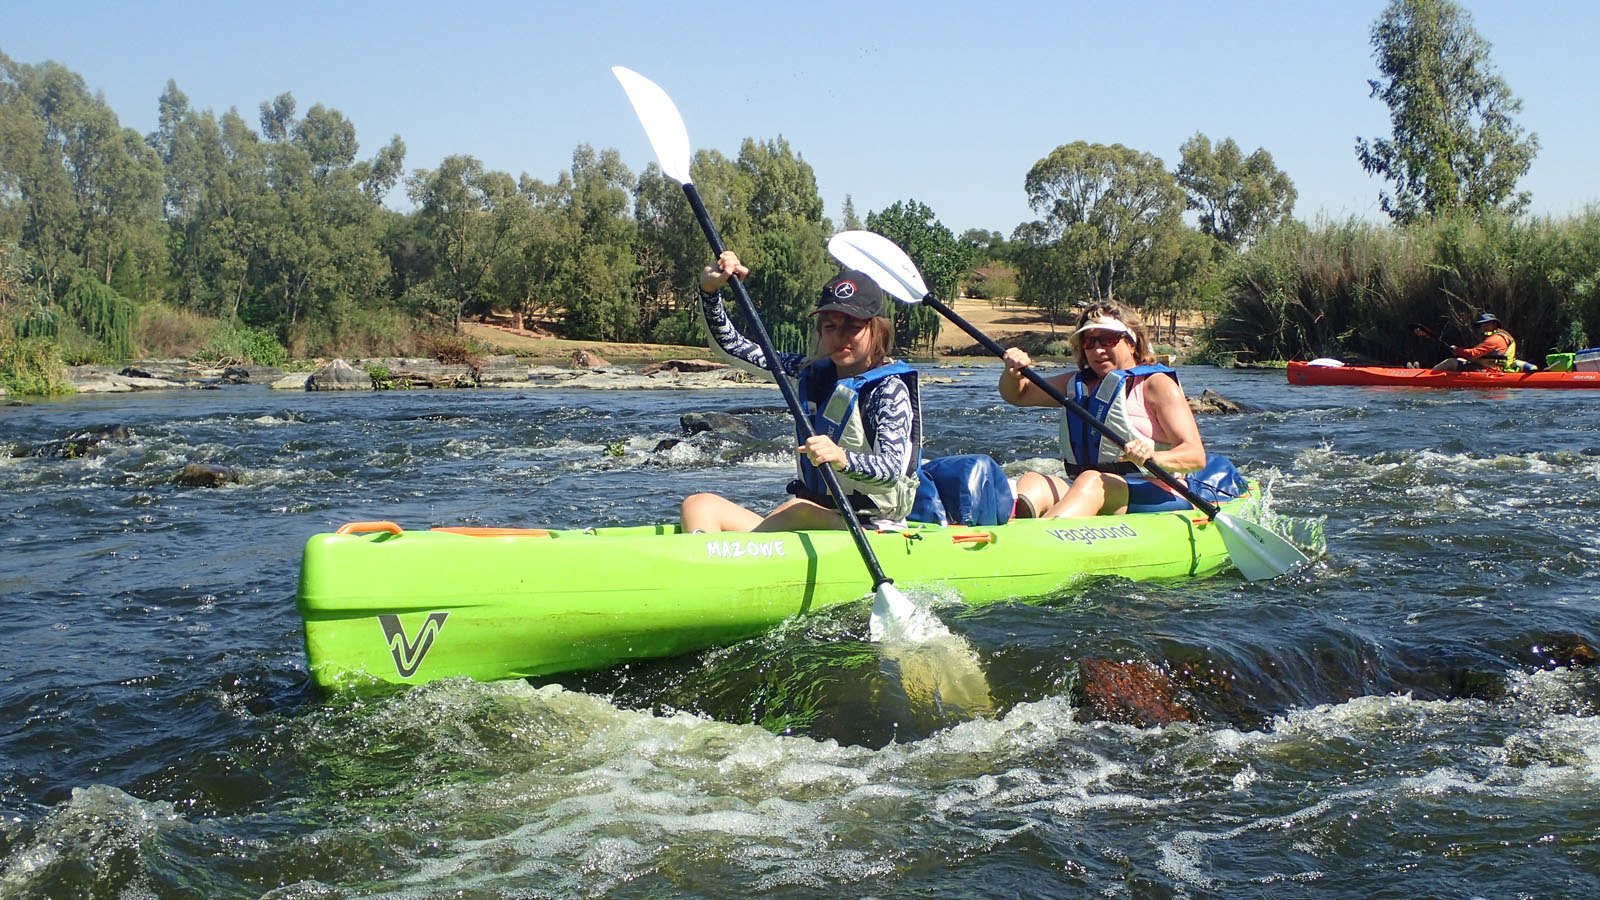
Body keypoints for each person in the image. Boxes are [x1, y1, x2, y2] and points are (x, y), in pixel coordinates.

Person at [679, 251, 921, 533]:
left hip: (873, 528)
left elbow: (891, 470)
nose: (840, 336)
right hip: (812, 519)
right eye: (830, 326)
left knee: (798, 511)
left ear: (878, 331)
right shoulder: (803, 371)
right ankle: (709, 556)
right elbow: (731, 346)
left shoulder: (889, 390)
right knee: (699, 505)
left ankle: (736, 555)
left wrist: (842, 457)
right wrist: (710, 291)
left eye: (853, 327)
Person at [1001, 302, 1206, 519]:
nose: (1098, 350)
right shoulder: (1075, 385)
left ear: (1132, 344)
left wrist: (1153, 456)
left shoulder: (1156, 385)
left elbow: (1195, 456)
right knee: (1034, 482)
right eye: (1089, 342)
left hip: (1158, 492)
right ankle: (1008, 533)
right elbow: (1019, 395)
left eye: (1108, 340)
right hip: (1088, 488)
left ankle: (1044, 535)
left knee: (1092, 481)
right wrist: (1013, 373)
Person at [1431, 313, 1536, 372]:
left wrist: (1457, 350)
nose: (1483, 327)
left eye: (1486, 324)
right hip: (1496, 367)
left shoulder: (1494, 339)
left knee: (1450, 362)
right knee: (1459, 360)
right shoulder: (1503, 336)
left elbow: (1473, 354)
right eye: (1481, 325)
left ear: (1494, 324)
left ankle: (1429, 376)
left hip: (1490, 370)